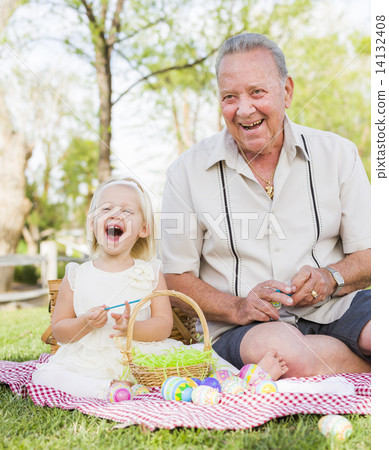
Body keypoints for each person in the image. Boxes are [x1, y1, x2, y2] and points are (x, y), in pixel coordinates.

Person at [161, 33, 371, 378]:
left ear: (286, 92)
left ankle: (341, 367)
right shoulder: (185, 172)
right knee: (285, 355)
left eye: (257, 92)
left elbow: (370, 255)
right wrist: (240, 306)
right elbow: (175, 279)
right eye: (230, 97)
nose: (244, 109)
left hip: (336, 307)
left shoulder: (338, 154)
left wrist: (329, 278)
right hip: (242, 329)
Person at [33, 177, 237, 400]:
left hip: (142, 356)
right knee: (44, 375)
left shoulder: (150, 273)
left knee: (201, 352)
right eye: (107, 208)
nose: (115, 214)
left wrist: (132, 326)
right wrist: (85, 323)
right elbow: (60, 330)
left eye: (127, 211)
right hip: (91, 360)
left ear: (144, 229)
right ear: (91, 223)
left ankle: (237, 379)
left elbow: (163, 326)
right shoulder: (76, 275)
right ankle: (107, 388)